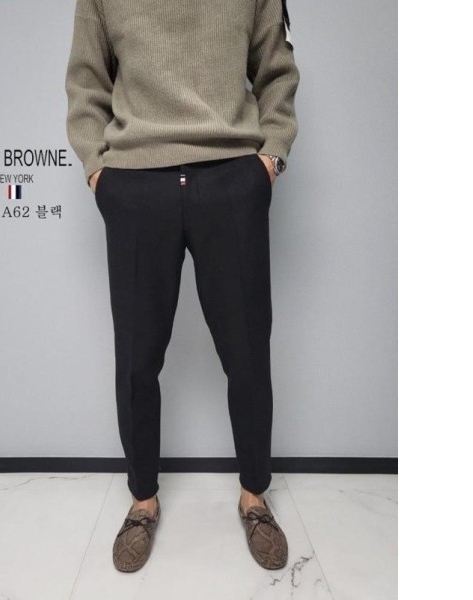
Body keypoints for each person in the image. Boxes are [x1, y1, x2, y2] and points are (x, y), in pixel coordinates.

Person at [65, 0, 300, 572]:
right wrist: (98, 169)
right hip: (135, 183)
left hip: (231, 177)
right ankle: (142, 501)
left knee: (247, 350)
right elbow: (86, 80)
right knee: (137, 357)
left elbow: (277, 69)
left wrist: (269, 159)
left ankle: (254, 496)